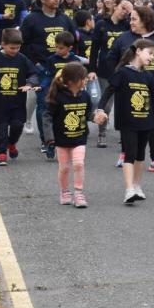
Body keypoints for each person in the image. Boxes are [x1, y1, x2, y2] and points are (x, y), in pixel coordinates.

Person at [106, 5, 154, 172]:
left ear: (145, 20)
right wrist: (117, 80)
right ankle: (125, 154)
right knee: (129, 122)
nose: (130, 22)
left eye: (134, 19)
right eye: (130, 19)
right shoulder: (124, 38)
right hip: (129, 88)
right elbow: (111, 59)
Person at [96, 39, 154, 203]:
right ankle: (129, 189)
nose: (152, 58)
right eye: (150, 53)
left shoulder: (147, 75)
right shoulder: (122, 73)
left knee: (140, 155)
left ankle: (137, 186)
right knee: (129, 153)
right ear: (138, 50)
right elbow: (108, 91)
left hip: (146, 120)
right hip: (128, 121)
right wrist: (100, 108)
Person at [42, 62, 106, 208]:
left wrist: (96, 117)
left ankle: (78, 193)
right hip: (61, 139)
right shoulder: (57, 97)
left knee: (78, 164)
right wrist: (49, 137)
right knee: (64, 168)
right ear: (72, 81)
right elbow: (47, 117)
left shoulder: (85, 96)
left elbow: (88, 114)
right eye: (83, 78)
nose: (86, 80)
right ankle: (64, 192)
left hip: (79, 138)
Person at [21, 0, 77, 142]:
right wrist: (35, 64)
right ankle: (46, 140)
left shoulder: (64, 18)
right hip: (42, 68)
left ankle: (59, 133)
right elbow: (23, 44)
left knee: (63, 102)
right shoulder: (31, 19)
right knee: (44, 104)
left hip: (63, 69)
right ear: (42, 0)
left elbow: (74, 40)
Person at [0, 29, 39, 165]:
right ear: (3, 44)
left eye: (18, 48)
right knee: (1, 128)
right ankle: (1, 153)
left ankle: (11, 143)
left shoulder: (22, 59)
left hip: (17, 102)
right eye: (12, 48)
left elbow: (33, 74)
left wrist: (30, 83)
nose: (15, 50)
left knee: (17, 125)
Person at [90, 0, 133, 148]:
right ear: (114, 6)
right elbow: (94, 49)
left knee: (125, 104)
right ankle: (102, 133)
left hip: (125, 69)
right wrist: (91, 69)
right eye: (122, 8)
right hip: (105, 69)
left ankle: (125, 134)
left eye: (127, 10)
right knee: (106, 104)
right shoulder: (102, 24)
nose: (124, 12)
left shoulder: (128, 25)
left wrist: (132, 11)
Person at [38, 31, 87, 160]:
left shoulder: (75, 60)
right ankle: (50, 143)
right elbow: (47, 76)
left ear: (69, 48)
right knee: (52, 118)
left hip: (70, 96)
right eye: (56, 47)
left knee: (64, 120)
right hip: (56, 93)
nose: (57, 50)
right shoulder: (51, 59)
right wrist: (42, 87)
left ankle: (69, 144)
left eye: (61, 48)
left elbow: (80, 77)